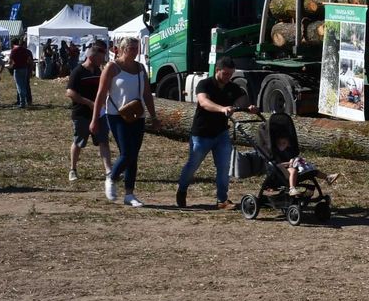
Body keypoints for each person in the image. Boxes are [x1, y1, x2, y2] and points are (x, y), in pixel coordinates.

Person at [175, 57, 255, 209]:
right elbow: (204, 102)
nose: (228, 77)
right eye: (225, 74)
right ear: (217, 70)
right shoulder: (204, 84)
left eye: (231, 74)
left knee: (224, 167)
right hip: (202, 134)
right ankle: (182, 189)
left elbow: (243, 102)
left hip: (221, 134)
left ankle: (222, 200)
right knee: (193, 165)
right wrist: (222, 108)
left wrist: (250, 108)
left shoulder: (232, 87)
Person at [90, 36, 158, 207]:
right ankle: (111, 178)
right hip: (116, 115)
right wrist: (95, 119)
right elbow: (101, 94)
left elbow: (147, 94)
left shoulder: (140, 68)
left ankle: (129, 194)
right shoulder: (112, 67)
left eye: (136, 48)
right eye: (131, 48)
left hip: (137, 115)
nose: (134, 52)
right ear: (121, 49)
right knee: (127, 153)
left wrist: (153, 116)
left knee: (133, 156)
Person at [65, 41, 113, 181]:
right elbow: (70, 92)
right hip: (82, 114)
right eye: (100, 58)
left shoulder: (99, 71)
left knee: (103, 141)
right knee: (78, 141)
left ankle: (109, 171)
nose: (102, 60)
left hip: (100, 113)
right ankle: (73, 169)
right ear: (91, 57)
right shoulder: (78, 72)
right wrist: (89, 103)